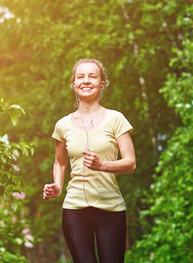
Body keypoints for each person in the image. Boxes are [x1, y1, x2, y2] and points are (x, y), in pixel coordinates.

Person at [43, 59, 136, 263]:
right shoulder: (63, 125)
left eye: (92, 76)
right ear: (74, 84)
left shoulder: (116, 119)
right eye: (81, 77)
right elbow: (60, 163)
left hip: (111, 209)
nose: (86, 81)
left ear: (102, 84)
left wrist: (102, 165)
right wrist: (58, 186)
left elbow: (130, 162)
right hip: (75, 209)